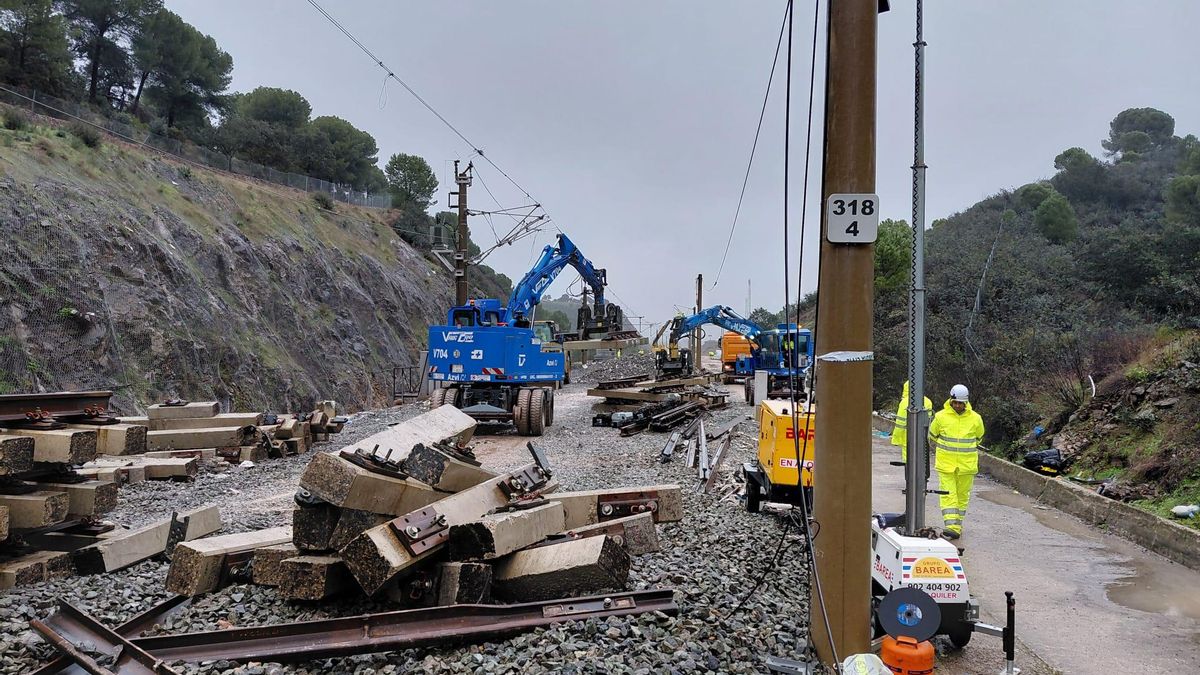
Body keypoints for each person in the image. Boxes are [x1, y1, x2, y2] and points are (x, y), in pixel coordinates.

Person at [927, 384, 985, 540]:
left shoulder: (976, 419)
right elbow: (932, 436)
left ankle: (957, 526)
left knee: (962, 497)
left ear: (966, 402)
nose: (958, 405)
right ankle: (951, 526)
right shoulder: (940, 417)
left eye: (961, 403)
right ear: (950, 400)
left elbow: (978, 438)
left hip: (966, 466)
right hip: (946, 465)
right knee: (948, 494)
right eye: (955, 402)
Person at [891, 381, 933, 462]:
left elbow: (900, 423)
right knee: (921, 462)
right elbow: (928, 421)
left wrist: (896, 439)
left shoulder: (904, 402)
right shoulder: (928, 401)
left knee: (908, 462)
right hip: (922, 437)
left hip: (906, 439)